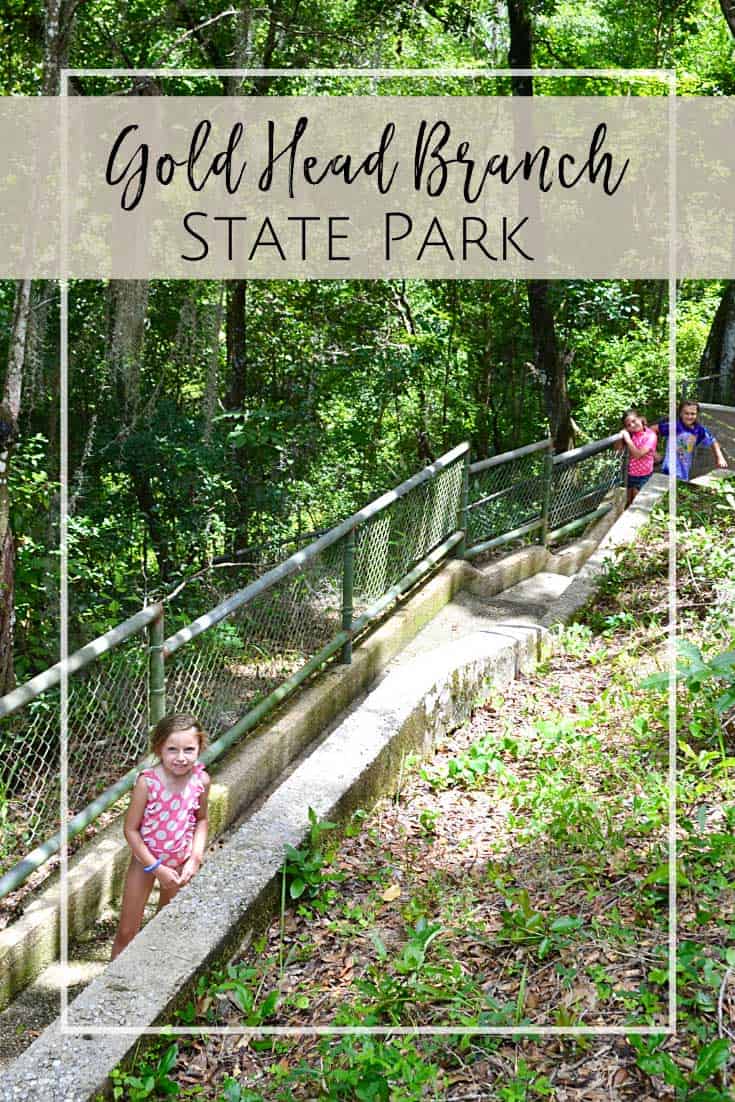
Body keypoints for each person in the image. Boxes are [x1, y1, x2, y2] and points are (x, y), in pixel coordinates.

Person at [111, 712, 210, 959]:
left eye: (189, 749)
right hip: (145, 863)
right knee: (126, 931)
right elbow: (130, 829)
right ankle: (111, 989)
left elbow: (202, 819)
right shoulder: (148, 782)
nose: (180, 757)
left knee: (164, 927)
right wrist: (155, 867)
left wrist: (195, 857)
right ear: (159, 749)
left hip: (180, 865)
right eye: (172, 749)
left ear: (199, 748)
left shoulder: (201, 780)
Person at [654, 399, 728, 481]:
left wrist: (720, 458)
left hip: (685, 469)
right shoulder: (674, 426)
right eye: (686, 413)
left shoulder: (699, 430)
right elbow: (652, 429)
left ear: (697, 414)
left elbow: (713, 441)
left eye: (692, 414)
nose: (689, 416)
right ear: (681, 414)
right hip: (669, 468)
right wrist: (653, 452)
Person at [619, 408, 658, 506]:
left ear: (641, 418)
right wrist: (620, 436)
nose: (632, 425)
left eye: (634, 421)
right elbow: (618, 450)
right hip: (628, 474)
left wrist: (627, 439)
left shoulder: (650, 436)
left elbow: (638, 455)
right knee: (626, 502)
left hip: (643, 476)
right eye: (628, 425)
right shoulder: (631, 434)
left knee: (636, 504)